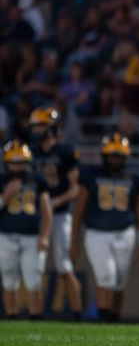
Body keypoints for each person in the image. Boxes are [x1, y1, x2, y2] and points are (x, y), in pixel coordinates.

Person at [71, 134, 139, 323]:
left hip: (125, 233)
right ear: (104, 156)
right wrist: (74, 241)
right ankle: (103, 317)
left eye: (119, 156)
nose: (115, 160)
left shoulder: (134, 180)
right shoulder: (91, 175)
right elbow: (79, 210)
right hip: (97, 232)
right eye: (112, 156)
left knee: (120, 282)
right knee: (107, 276)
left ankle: (113, 319)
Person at [28, 108, 82, 320]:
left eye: (40, 126)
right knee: (36, 267)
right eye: (34, 126)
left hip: (59, 214)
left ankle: (77, 315)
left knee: (64, 265)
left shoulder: (66, 151)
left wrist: (55, 201)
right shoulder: (31, 152)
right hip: (36, 216)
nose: (36, 130)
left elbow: (75, 188)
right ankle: (36, 315)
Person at [0, 141, 52, 319]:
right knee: (8, 280)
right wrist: (6, 195)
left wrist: (45, 236)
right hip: (6, 236)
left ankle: (36, 317)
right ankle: (11, 316)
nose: (18, 167)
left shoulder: (37, 181)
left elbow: (47, 211)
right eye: (14, 162)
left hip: (31, 237)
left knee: (34, 280)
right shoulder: (1, 180)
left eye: (21, 162)